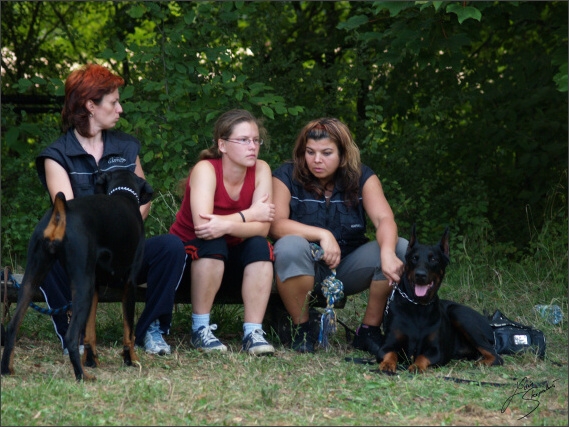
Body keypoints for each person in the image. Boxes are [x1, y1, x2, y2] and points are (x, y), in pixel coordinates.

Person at [36, 63, 187, 356]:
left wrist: (122, 236)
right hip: (80, 255)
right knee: (49, 245)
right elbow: (69, 212)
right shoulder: (56, 155)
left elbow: (143, 197)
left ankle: (149, 329)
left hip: (122, 254)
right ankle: (74, 332)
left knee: (171, 246)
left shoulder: (127, 147)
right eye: (114, 102)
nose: (120, 109)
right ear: (90, 105)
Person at [270, 117, 408, 354]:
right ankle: (302, 330)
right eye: (310, 152)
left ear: (343, 155)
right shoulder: (285, 175)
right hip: (303, 265)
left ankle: (368, 331)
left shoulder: (362, 176)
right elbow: (275, 225)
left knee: (400, 247)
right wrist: (322, 234)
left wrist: (386, 253)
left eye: (326, 153)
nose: (316, 160)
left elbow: (384, 219)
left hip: (346, 267)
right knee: (289, 245)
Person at [169, 109, 276, 356]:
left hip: (232, 256)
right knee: (214, 242)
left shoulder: (261, 169)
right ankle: (200, 330)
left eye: (256, 140)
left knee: (260, 245)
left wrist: (227, 224)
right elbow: (204, 227)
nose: (253, 146)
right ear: (222, 144)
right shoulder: (206, 169)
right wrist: (248, 215)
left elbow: (263, 227)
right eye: (244, 140)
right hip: (187, 258)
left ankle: (252, 333)